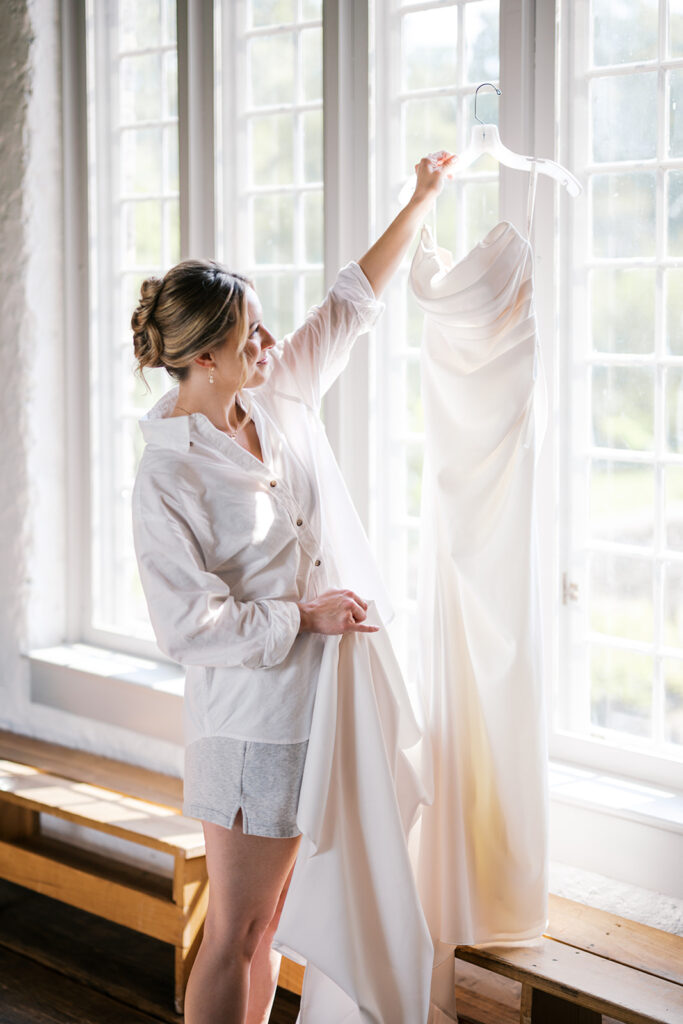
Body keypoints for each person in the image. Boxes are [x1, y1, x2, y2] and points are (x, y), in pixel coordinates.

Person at [130, 153, 456, 1024]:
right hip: (248, 725)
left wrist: (420, 201)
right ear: (202, 358)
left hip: (316, 708)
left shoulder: (272, 398)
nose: (268, 346)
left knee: (271, 926)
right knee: (235, 929)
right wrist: (300, 614)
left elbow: (352, 303)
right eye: (248, 340)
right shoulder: (167, 478)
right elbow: (186, 625)